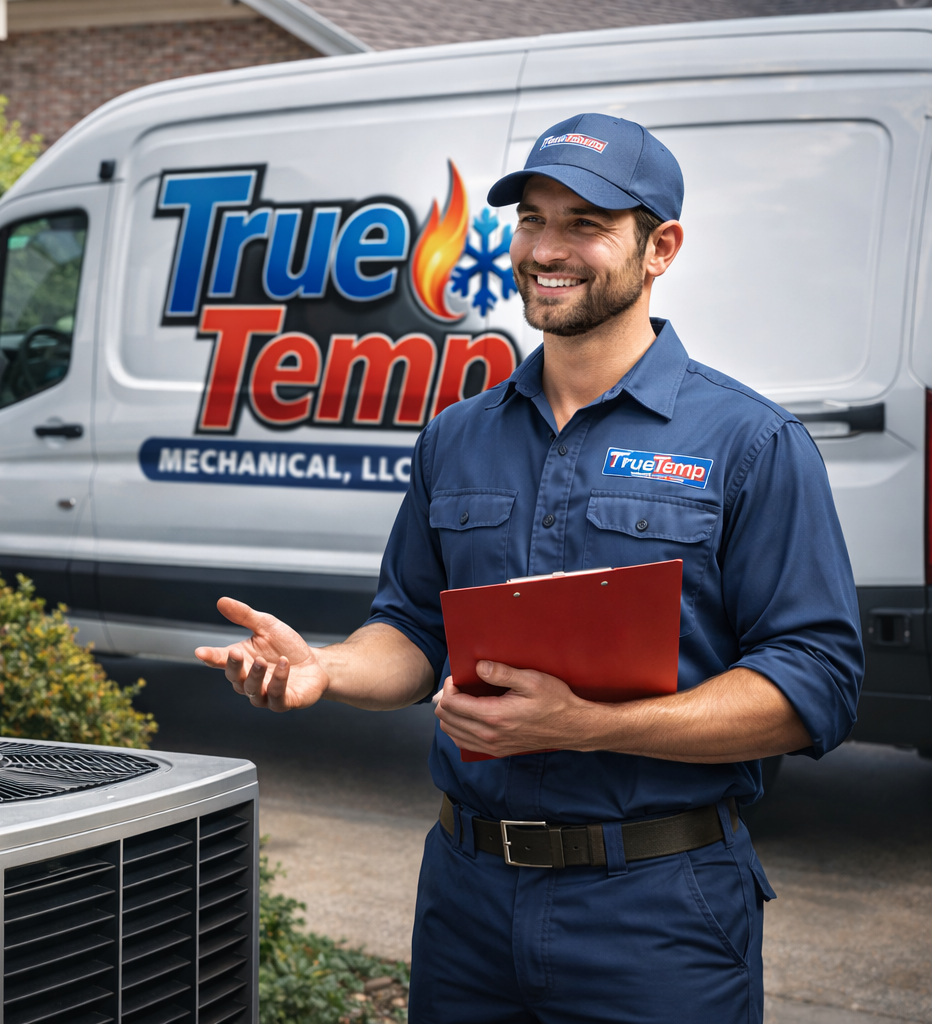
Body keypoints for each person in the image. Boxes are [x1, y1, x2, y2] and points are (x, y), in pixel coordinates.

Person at [196, 112, 863, 1023]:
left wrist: (588, 726)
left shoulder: (751, 443)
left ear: (660, 247)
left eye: (586, 224)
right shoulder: (457, 438)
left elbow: (813, 685)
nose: (547, 249)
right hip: (466, 899)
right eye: (533, 219)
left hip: (657, 910)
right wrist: (327, 668)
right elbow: (413, 628)